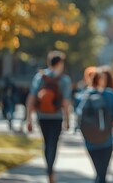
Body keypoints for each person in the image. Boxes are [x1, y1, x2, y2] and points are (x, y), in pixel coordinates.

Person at [26, 51, 72, 183]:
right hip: (56, 116)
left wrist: (28, 119)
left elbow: (32, 97)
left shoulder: (40, 77)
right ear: (59, 63)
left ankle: (49, 169)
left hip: (42, 116)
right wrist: (67, 120)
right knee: (53, 143)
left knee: (47, 143)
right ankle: (51, 170)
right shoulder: (64, 79)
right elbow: (66, 102)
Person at [77, 67, 113, 183]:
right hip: (106, 139)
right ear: (102, 80)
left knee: (98, 171)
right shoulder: (109, 94)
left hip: (89, 140)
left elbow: (78, 115)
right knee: (103, 173)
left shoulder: (83, 95)